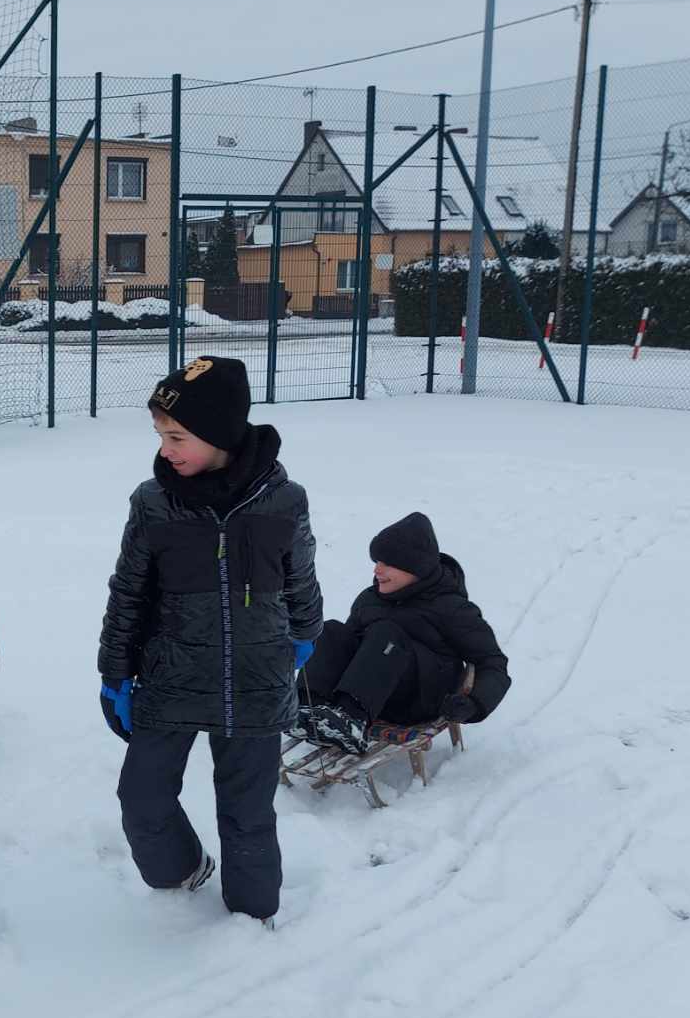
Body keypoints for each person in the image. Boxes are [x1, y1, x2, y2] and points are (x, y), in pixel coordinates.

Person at [97, 355, 323, 923]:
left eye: (176, 435)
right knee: (142, 800)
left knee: (248, 816)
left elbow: (301, 577)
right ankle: (180, 870)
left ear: (220, 432)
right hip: (170, 675)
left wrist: (305, 637)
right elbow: (128, 592)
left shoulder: (283, 500)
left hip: (254, 682)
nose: (165, 448)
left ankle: (252, 922)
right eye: (159, 435)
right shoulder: (154, 502)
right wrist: (114, 671)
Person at [296, 511, 510, 757]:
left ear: (415, 568)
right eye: (376, 561)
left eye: (387, 563)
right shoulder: (370, 599)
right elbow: (347, 649)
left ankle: (350, 719)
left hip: (420, 700)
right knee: (333, 630)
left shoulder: (451, 608)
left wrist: (474, 703)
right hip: (374, 694)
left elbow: (493, 662)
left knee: (385, 634)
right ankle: (307, 705)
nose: (377, 570)